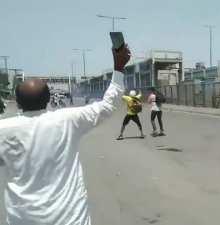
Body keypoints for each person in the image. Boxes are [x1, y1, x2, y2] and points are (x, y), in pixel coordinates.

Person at [0, 45, 131, 225]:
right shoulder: (66, 120)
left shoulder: (3, 129)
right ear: (48, 100)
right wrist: (119, 68)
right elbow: (108, 105)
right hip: (70, 220)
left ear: (18, 102)